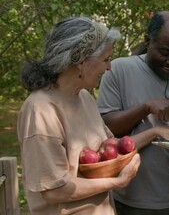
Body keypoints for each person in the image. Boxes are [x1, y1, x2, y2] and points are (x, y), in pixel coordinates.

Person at [16, 16, 141, 215]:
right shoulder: (40, 110)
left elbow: (108, 146)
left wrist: (150, 136)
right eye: (106, 59)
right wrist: (117, 182)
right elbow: (54, 190)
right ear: (82, 62)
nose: (109, 67)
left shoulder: (84, 98)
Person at [96, 11, 169, 215]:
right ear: (147, 41)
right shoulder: (117, 70)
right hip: (127, 200)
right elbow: (107, 129)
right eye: (165, 52)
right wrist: (147, 107)